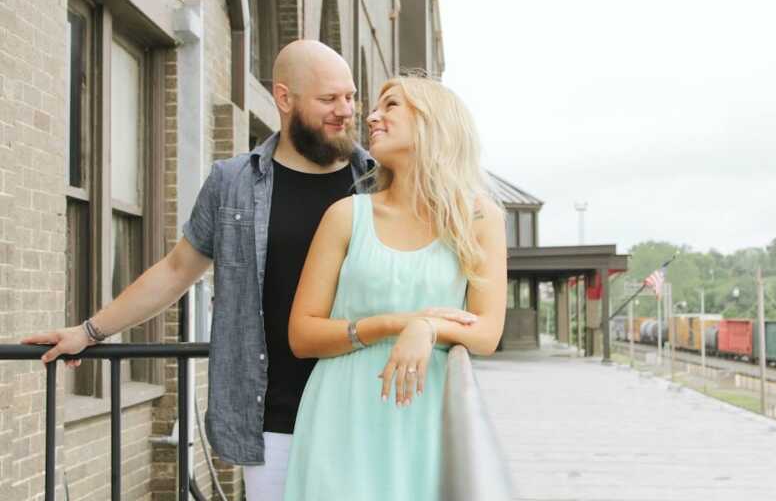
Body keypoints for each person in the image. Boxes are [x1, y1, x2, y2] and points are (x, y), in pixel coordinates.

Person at [21, 40, 474, 500]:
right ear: (284, 98)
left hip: (370, 410)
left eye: (351, 96)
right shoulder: (233, 183)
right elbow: (177, 269)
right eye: (328, 99)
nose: (347, 111)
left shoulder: (380, 177)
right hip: (275, 417)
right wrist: (91, 330)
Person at [282, 76, 508, 500]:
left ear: (432, 123)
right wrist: (395, 324)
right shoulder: (345, 215)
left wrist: (427, 329)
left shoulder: (478, 219)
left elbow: (487, 332)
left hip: (425, 416)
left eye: (390, 106)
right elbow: (302, 334)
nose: (371, 117)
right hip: (341, 414)